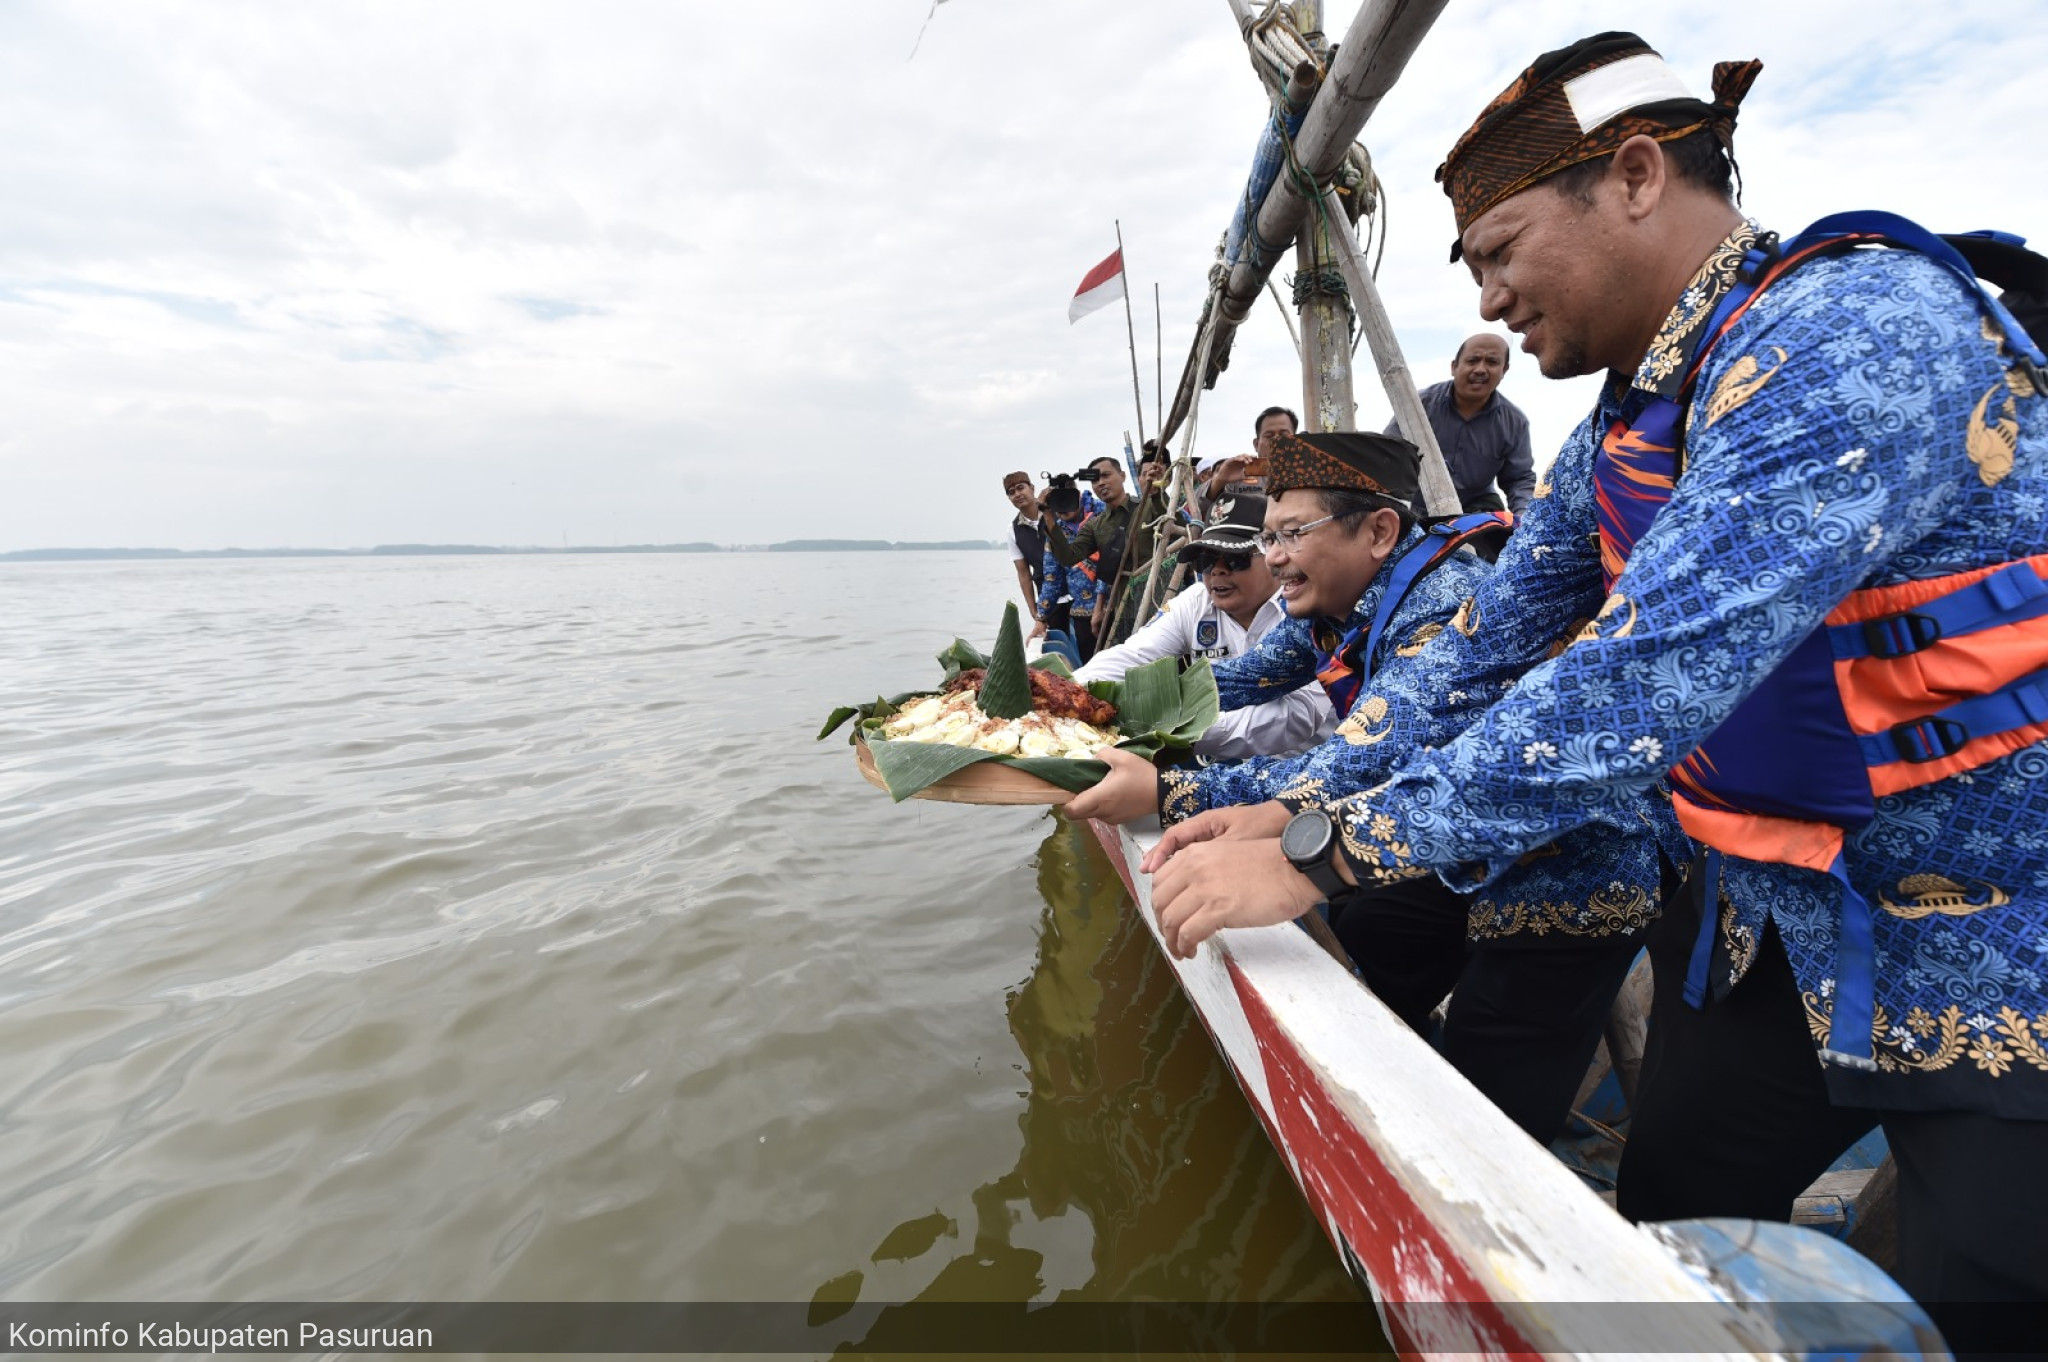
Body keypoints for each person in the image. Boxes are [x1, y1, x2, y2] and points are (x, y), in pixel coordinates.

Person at [1142, 31, 2048, 1344]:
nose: (1491, 296)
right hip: (1775, 922)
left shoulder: (1849, 333)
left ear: (1632, 176)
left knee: (1996, 1297)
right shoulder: (1627, 423)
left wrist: (1327, 851)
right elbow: (1478, 655)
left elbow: (1634, 685)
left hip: (1997, 934)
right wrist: (1278, 800)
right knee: (1673, 1200)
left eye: (1502, 249)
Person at [1071, 433, 1658, 1147]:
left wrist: (1168, 792)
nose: (1273, 557)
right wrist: (1084, 705)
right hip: (1437, 832)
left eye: (1292, 534)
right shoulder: (1332, 608)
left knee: (1492, 1088)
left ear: (1379, 531)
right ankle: (1381, 1079)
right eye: (1268, 538)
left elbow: (1370, 754)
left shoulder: (1440, 606)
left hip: (1564, 859)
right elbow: (1227, 681)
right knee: (1371, 941)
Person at [1077, 494, 1335, 760]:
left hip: (1304, 768)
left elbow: (1298, 715)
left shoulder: (1306, 607)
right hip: (1215, 763)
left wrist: (1178, 731)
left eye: (1235, 559)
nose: (1217, 571)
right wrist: (1072, 690)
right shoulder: (1196, 601)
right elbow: (1132, 657)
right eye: (1206, 560)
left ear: (1272, 552)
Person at [1385, 335, 1536, 516]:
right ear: (1454, 367)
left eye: (1492, 362)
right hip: (1415, 506)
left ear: (1504, 370)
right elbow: (1386, 456)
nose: (1480, 369)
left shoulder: (1514, 422)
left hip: (1475, 508)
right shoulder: (1417, 406)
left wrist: (1525, 518)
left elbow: (1519, 480)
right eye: (1472, 360)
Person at [1035, 484, 1101, 659]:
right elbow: (1052, 580)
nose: (1063, 507)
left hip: (1117, 606)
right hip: (1083, 613)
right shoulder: (1055, 532)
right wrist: (1040, 617)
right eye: (1057, 501)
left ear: (1077, 494)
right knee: (1091, 665)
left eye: (1067, 498)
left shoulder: (1103, 513)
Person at [1201, 406, 1294, 507]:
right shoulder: (1238, 474)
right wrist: (1219, 481)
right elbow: (1198, 507)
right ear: (1256, 444)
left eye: (1284, 435)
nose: (1276, 440)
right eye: (1269, 436)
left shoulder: (1305, 475)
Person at [1004, 472, 1046, 622]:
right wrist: (1033, 610)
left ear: (1032, 488)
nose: (1017, 494)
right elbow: (1023, 574)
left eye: (1021, 488)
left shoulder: (1055, 512)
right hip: (1048, 599)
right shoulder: (1013, 530)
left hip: (1079, 591)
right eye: (1011, 492)